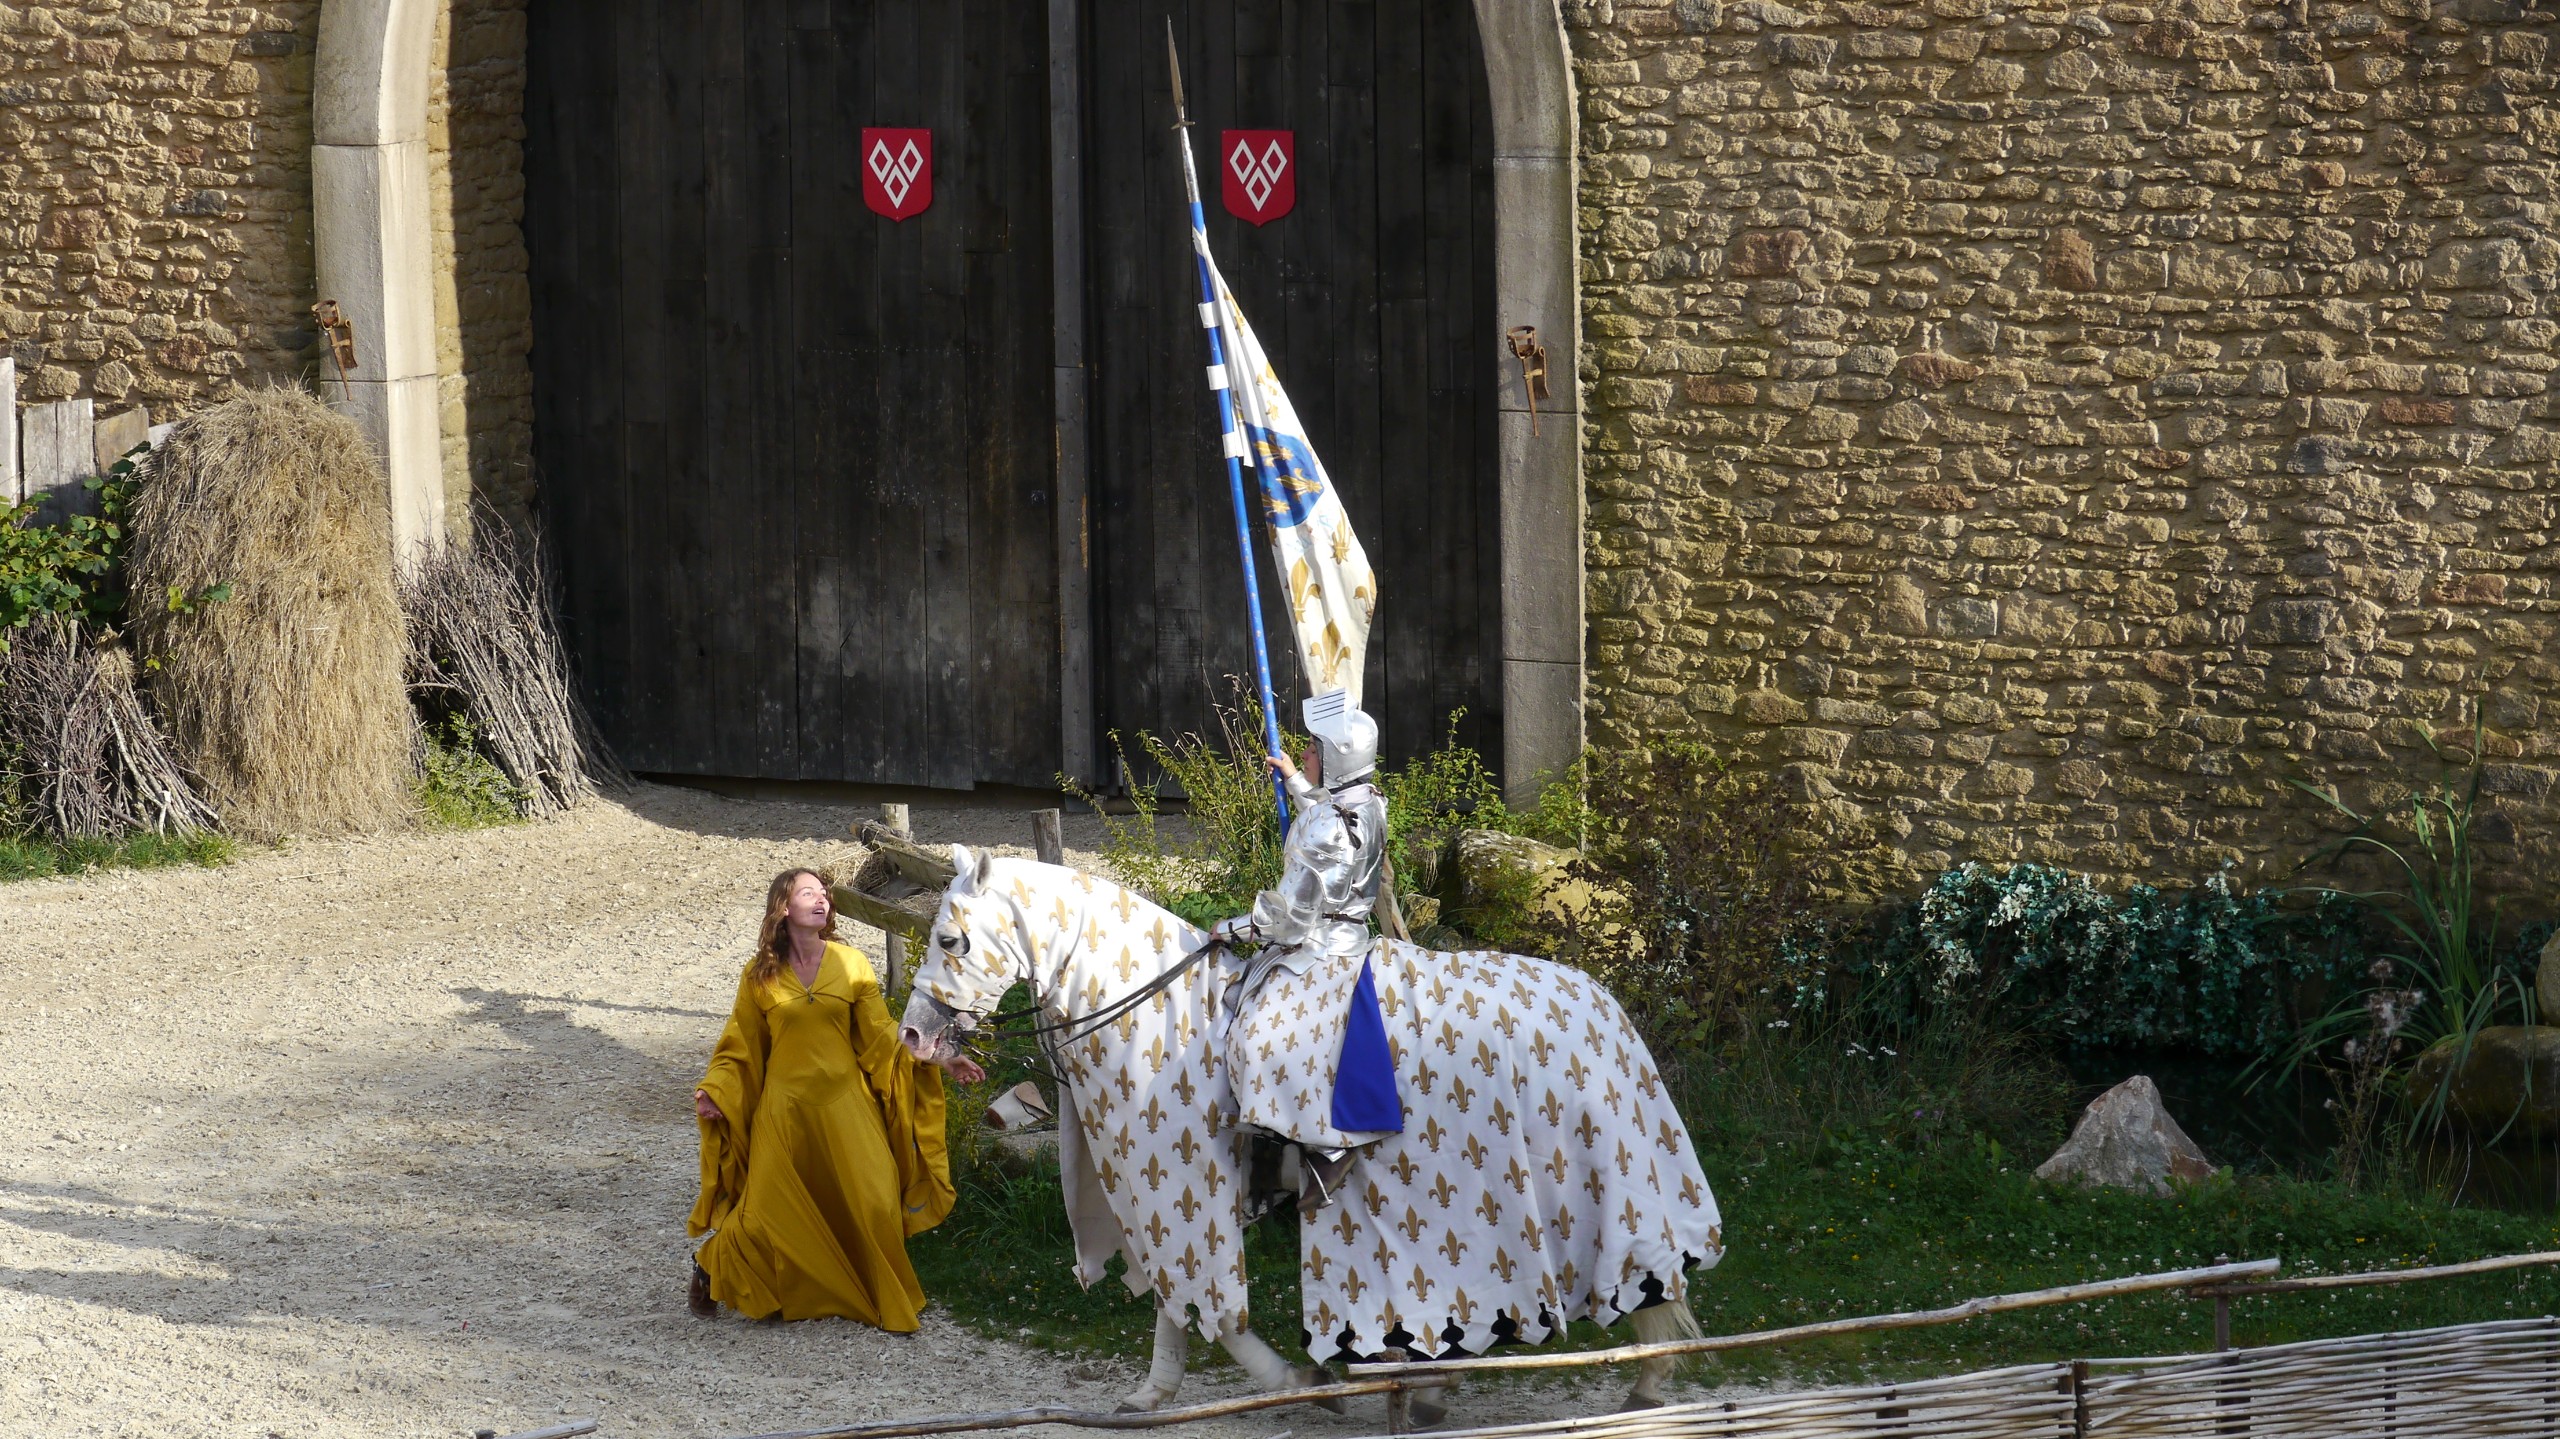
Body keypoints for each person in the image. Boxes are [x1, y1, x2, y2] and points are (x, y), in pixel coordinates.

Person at [686, 868, 985, 1326]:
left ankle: (876, 1294)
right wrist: (715, 1090)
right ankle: (711, 1266)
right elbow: (740, 1045)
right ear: (784, 907)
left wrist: (942, 1057)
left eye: (824, 893)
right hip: (784, 1112)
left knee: (874, 1201)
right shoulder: (759, 975)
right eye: (808, 893)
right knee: (766, 1211)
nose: (821, 899)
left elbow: (880, 1035)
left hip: (848, 1106)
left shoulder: (851, 963)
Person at [1213, 699, 1399, 1207]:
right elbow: (1327, 818)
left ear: (1337, 758)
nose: (1305, 753)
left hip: (1318, 949)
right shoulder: (1368, 801)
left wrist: (1230, 928)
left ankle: (1325, 1148)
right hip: (1350, 938)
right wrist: (1296, 779)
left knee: (1253, 1036)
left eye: (1313, 749)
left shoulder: (1330, 824)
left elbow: (1290, 918)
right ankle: (1270, 1161)